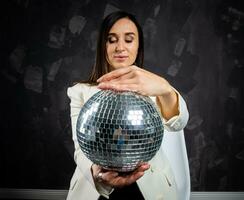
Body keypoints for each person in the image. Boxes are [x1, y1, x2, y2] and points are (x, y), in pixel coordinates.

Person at [66, 11, 189, 200]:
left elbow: (178, 123)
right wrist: (98, 175)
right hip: (98, 188)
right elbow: (81, 149)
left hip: (150, 185)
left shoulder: (152, 86)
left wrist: (164, 87)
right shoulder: (80, 91)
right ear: (102, 46)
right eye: (112, 40)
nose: (120, 47)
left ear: (138, 46)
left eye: (129, 40)